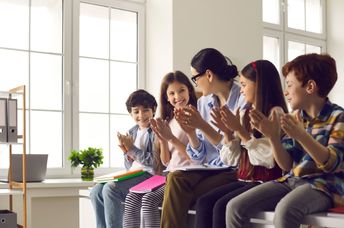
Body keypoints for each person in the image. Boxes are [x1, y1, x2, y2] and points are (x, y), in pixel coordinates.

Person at [226, 53, 344, 228]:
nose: (285, 91)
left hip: (324, 186)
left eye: (289, 85)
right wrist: (273, 137)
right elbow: (286, 165)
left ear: (310, 86)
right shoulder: (294, 117)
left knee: (285, 211)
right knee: (234, 207)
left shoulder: (338, 117)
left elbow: (331, 164)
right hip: (291, 180)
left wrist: (302, 136)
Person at [194, 60, 287, 228]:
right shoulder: (245, 113)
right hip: (245, 179)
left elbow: (268, 159)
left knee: (222, 206)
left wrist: (241, 132)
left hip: (267, 182)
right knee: (204, 202)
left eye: (244, 84)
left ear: (259, 85)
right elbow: (233, 159)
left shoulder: (275, 113)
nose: (241, 89)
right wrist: (229, 134)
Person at [160, 48, 245, 228]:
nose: (196, 84)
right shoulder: (203, 103)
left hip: (233, 169)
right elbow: (199, 155)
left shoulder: (242, 99)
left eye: (195, 78)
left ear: (208, 75)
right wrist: (191, 132)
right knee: (175, 178)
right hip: (208, 168)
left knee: (182, 194)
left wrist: (202, 126)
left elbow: (235, 153)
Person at [122, 71, 198, 228]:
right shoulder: (169, 121)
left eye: (181, 90)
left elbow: (196, 157)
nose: (177, 96)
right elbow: (165, 161)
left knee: (149, 200)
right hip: (167, 174)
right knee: (131, 199)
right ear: (167, 97)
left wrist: (170, 139)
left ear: (189, 90)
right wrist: (163, 140)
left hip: (186, 174)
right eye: (172, 93)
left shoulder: (196, 117)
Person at [90, 89, 160, 228]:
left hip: (150, 176)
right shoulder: (132, 132)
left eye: (145, 110)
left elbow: (154, 163)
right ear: (130, 113)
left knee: (110, 189)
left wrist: (132, 149)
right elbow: (130, 166)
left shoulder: (156, 130)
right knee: (96, 191)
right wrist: (126, 153)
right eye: (136, 112)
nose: (141, 115)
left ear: (153, 109)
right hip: (134, 174)